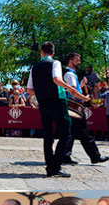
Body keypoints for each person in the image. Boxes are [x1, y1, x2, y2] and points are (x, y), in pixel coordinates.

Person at [27, 42, 88, 178]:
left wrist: (35, 100)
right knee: (65, 133)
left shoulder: (34, 67)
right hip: (57, 101)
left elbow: (29, 90)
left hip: (43, 103)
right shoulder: (55, 63)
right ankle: (56, 166)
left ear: (41, 52)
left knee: (48, 135)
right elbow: (56, 79)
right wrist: (72, 90)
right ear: (53, 53)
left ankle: (50, 167)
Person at [62, 53, 109, 165]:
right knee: (84, 132)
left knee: (71, 133)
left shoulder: (70, 74)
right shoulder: (70, 75)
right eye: (77, 60)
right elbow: (73, 91)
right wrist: (85, 98)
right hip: (76, 107)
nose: (79, 62)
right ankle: (95, 156)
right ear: (70, 61)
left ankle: (65, 156)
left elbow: (72, 89)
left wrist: (81, 85)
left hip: (71, 107)